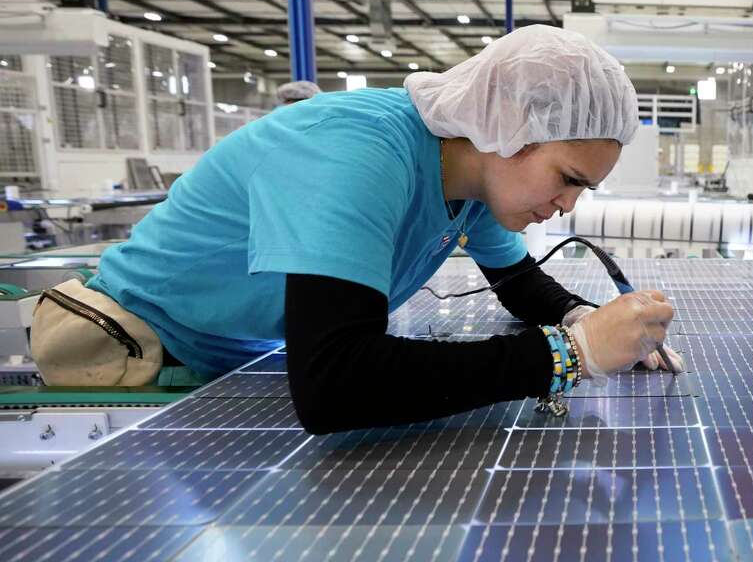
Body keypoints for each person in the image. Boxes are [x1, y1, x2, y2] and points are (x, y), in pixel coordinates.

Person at [30, 24, 683, 433]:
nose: (568, 205)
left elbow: (518, 282)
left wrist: (589, 319)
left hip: (233, 351)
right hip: (133, 346)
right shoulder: (359, 154)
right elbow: (335, 385)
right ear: (507, 131)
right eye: (567, 177)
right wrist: (571, 357)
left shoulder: (473, 184)